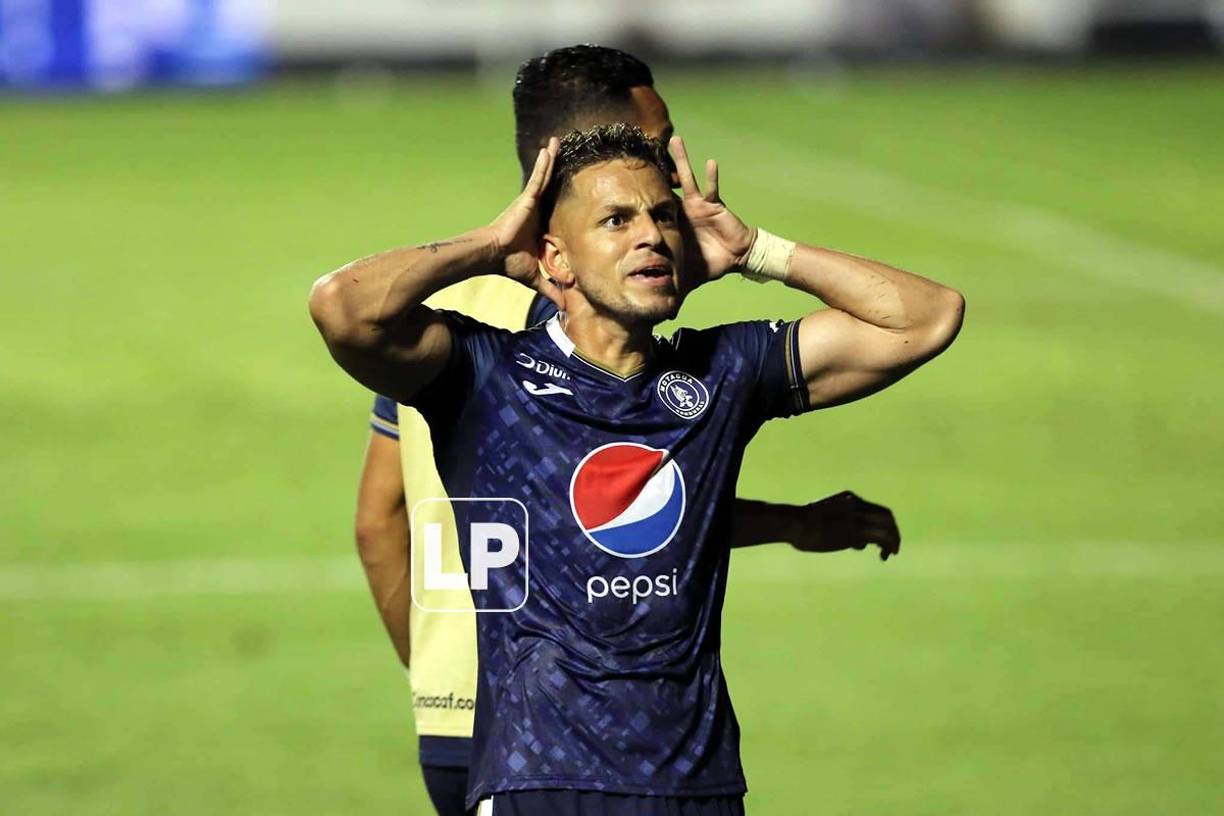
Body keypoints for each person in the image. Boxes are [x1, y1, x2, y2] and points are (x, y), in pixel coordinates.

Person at [312, 124, 963, 814]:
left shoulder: (723, 372)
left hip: (697, 785)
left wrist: (757, 251)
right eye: (616, 220)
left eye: (662, 216)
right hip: (541, 782)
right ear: (555, 258)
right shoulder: (485, 376)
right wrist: (492, 244)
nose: (649, 235)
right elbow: (342, 307)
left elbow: (925, 319)